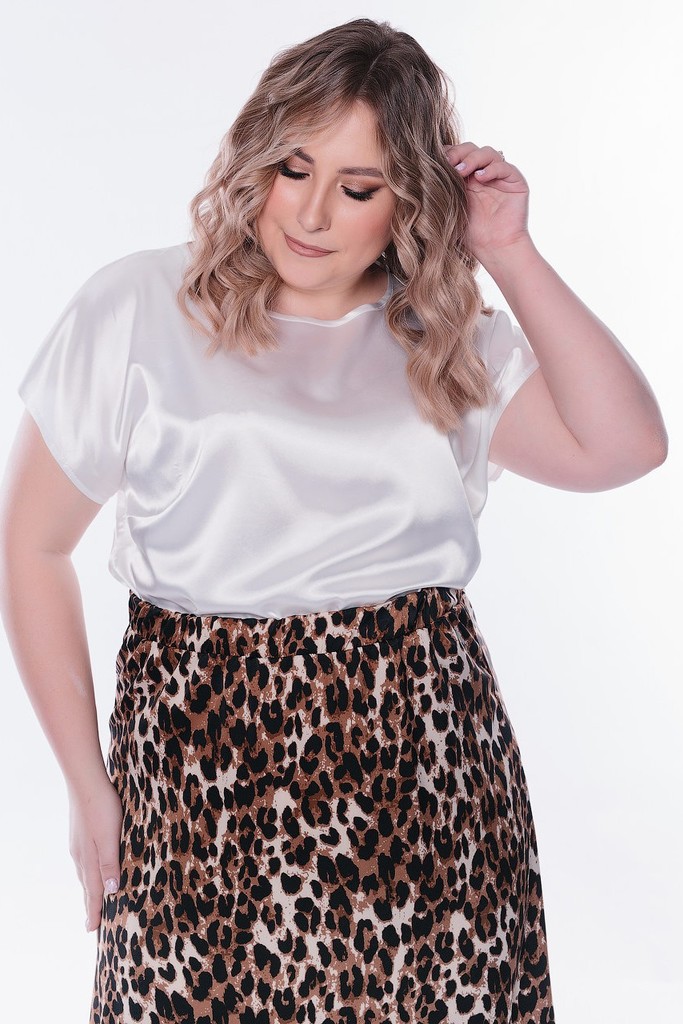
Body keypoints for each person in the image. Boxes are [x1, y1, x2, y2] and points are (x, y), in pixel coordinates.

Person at [0, 16, 667, 1024]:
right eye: (293, 169)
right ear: (255, 161)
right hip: (195, 777)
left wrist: (508, 250)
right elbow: (32, 543)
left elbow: (626, 447)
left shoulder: (442, 339)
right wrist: (86, 783)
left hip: (425, 780)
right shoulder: (138, 306)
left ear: (409, 201)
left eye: (358, 188)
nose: (311, 214)